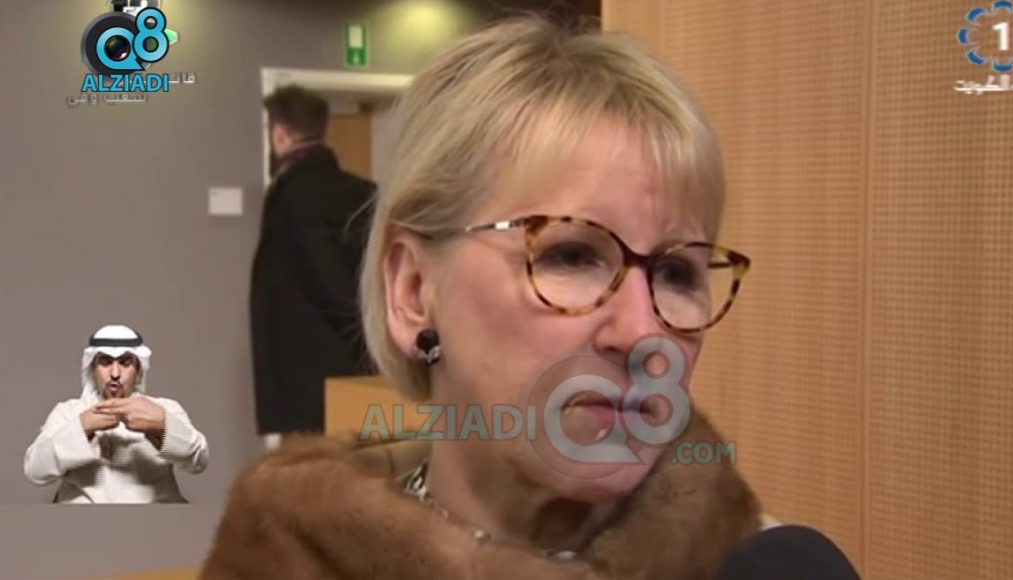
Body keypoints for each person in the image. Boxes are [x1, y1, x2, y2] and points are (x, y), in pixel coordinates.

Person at [203, 18, 769, 579]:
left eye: (676, 272)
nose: (643, 333)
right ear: (413, 291)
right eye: (571, 256)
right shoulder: (273, 561)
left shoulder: (758, 562)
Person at [251, 85, 377, 445]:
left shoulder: (290, 196)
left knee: (315, 470)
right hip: (358, 368)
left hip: (306, 377)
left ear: (280, 134)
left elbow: (325, 279)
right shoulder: (361, 192)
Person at [24, 324, 209, 503]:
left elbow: (199, 462)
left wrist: (161, 426)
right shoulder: (68, 412)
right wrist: (82, 427)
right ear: (92, 367)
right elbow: (35, 471)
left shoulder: (165, 408)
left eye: (125, 362)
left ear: (138, 369)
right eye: (105, 362)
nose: (115, 373)